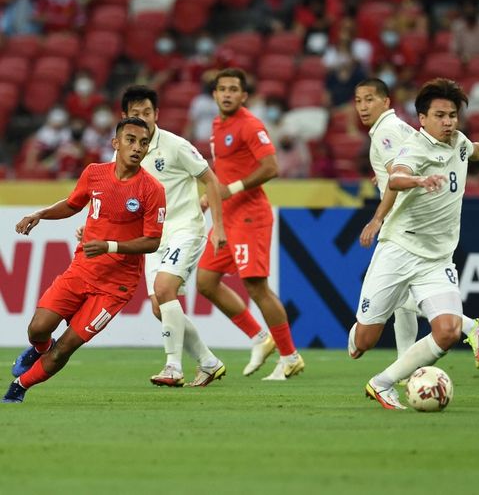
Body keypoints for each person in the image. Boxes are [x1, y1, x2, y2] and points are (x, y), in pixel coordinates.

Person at [348, 78, 479, 410]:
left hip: (437, 259)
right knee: (363, 342)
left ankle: (382, 384)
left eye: (452, 115)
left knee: (445, 331)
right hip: (399, 250)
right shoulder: (414, 148)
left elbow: (472, 149)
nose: (448, 122)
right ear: (422, 119)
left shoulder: (458, 141)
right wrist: (417, 180)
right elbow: (399, 175)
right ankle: (464, 326)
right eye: (440, 115)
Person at [3, 117, 166, 403]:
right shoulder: (94, 173)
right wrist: (40, 213)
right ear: (115, 143)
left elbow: (153, 242)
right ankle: (40, 349)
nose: (137, 147)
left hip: (116, 287)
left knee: (66, 347)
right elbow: (72, 204)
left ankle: (19, 387)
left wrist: (109, 246)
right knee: (38, 328)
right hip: (81, 270)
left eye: (143, 142)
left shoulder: (152, 190)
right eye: (130, 140)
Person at [196, 68, 304, 380]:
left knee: (256, 287)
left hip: (250, 216)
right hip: (226, 217)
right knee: (205, 281)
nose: (227, 94)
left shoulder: (249, 125)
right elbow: (225, 169)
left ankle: (289, 356)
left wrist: (231, 190)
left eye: (233, 89)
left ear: (244, 96)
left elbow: (272, 167)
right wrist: (212, 197)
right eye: (222, 89)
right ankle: (260, 337)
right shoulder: (217, 125)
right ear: (214, 95)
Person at [120, 85, 228, 388]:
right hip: (153, 238)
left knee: (164, 288)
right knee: (159, 306)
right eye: (135, 114)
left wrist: (217, 227)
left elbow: (211, 180)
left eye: (147, 113)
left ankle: (172, 367)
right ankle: (208, 362)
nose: (142, 118)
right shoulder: (127, 152)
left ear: (157, 114)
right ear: (125, 117)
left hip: (185, 230)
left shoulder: (176, 145)